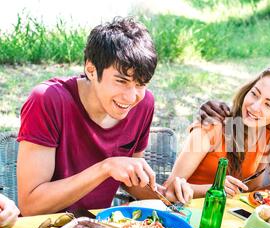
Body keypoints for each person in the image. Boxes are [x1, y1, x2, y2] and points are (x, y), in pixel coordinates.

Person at [17, 17, 192, 216]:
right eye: (121, 81)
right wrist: (106, 168)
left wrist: (164, 194)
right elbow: (30, 205)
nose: (131, 96)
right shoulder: (48, 100)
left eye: (141, 84)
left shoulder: (143, 104)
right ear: (91, 70)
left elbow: (131, 181)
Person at [164, 65, 270, 203]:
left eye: (268, 105)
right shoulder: (212, 126)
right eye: (254, 94)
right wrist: (215, 188)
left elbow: (248, 193)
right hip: (185, 212)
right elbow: (168, 190)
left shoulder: (268, 136)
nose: (255, 106)